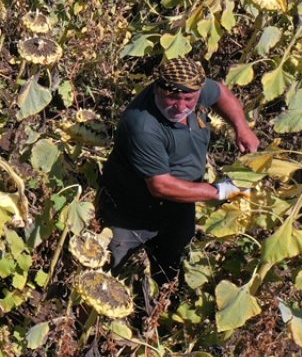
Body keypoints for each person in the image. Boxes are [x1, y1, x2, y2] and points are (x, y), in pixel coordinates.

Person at [98, 58, 260, 290]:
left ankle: (160, 309)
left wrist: (241, 126)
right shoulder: (143, 125)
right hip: (130, 214)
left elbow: (221, 93)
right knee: (109, 277)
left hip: (179, 205)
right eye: (172, 98)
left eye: (189, 99)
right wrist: (221, 190)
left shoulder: (190, 89)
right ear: (157, 88)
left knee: (169, 272)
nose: (181, 106)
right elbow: (161, 186)